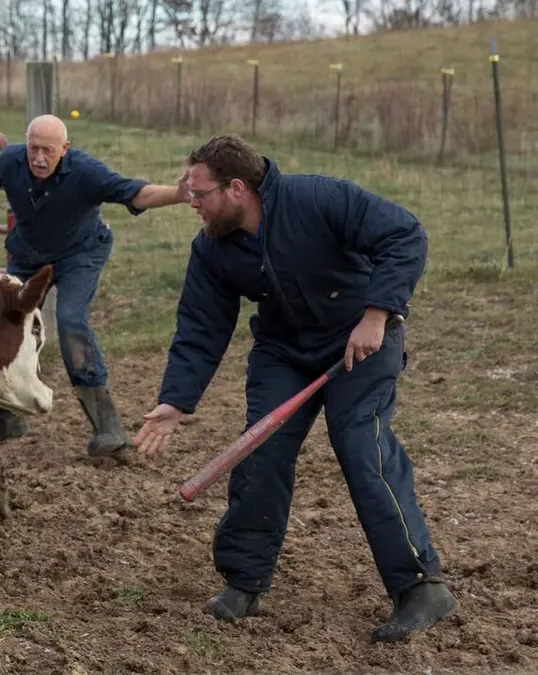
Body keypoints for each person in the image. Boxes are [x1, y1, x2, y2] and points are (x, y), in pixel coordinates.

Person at [132, 134, 458, 642]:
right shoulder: (213, 248)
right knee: (261, 448)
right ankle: (245, 580)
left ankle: (420, 586)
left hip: (361, 340)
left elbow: (405, 235)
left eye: (199, 192)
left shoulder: (318, 198)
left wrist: (377, 313)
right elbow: (200, 327)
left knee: (360, 445)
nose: (190, 201)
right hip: (284, 351)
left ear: (236, 188)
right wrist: (175, 402)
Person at [0, 114, 189, 460]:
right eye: (33, 148)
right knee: (5, 319)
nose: (39, 158)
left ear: (65, 149)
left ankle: (108, 428)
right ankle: (5, 413)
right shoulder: (10, 162)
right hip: (29, 255)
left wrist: (178, 193)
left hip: (80, 253)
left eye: (48, 150)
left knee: (71, 321)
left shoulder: (86, 171)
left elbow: (135, 193)